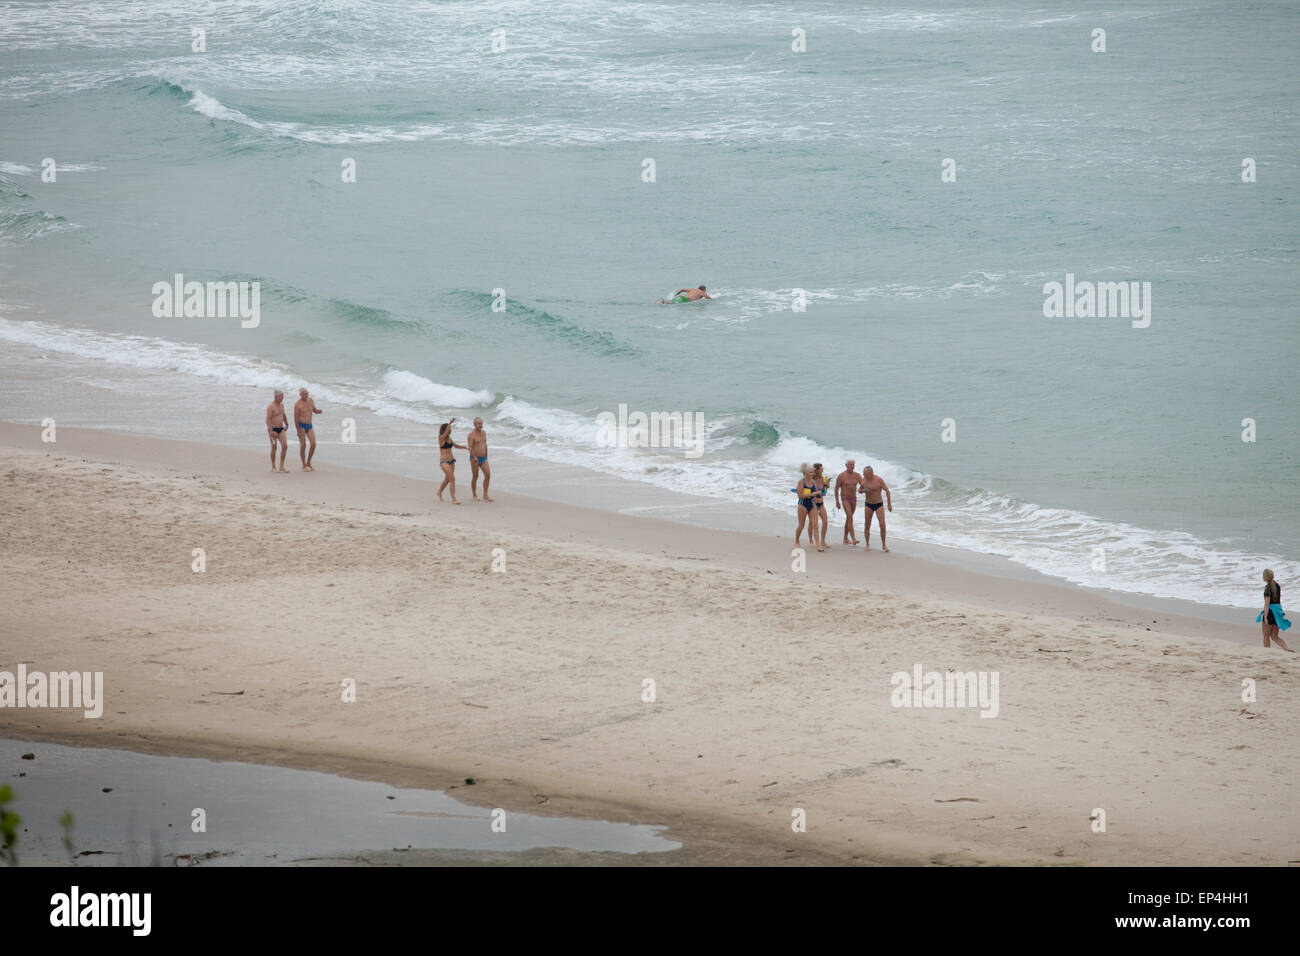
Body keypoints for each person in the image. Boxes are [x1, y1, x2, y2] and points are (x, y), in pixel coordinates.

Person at [1258, 569, 1292, 651]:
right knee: (1274, 636)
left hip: (1270, 612)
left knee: (1266, 636)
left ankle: (1267, 652)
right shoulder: (1277, 585)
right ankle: (1287, 649)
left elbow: (1267, 604)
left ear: (1264, 578)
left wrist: (1265, 617)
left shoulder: (1267, 588)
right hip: (1278, 612)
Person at [860, 465, 892, 551]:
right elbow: (859, 490)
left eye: (864, 473)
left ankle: (884, 545)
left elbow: (887, 491)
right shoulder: (864, 480)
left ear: (870, 473)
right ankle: (867, 544)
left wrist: (889, 504)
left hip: (878, 504)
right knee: (867, 525)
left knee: (882, 525)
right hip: (868, 504)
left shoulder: (878, 480)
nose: (863, 474)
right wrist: (863, 490)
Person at [437, 419, 468, 504]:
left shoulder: (449, 438)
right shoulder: (441, 438)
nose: (450, 430)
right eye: (448, 429)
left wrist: (464, 447)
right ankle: (454, 499)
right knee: (452, 480)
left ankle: (439, 492)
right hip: (444, 462)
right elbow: (446, 432)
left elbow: (455, 446)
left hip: (452, 462)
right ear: (445, 429)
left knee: (447, 480)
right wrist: (450, 423)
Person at [293, 388, 322, 472]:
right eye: (305, 393)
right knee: (303, 445)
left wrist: (318, 411)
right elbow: (296, 419)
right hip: (301, 425)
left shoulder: (310, 400)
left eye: (307, 393)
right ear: (301, 395)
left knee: (313, 444)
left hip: (309, 425)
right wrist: (298, 431)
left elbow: (314, 410)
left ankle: (308, 462)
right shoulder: (297, 404)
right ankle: (303, 465)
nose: (307, 395)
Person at [835, 459, 862, 545]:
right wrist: (837, 501)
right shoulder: (841, 476)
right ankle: (853, 538)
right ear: (846, 465)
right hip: (845, 498)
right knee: (850, 516)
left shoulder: (857, 475)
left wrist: (864, 490)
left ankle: (845, 538)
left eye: (853, 464)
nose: (852, 466)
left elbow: (862, 486)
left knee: (849, 518)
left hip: (853, 499)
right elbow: (836, 489)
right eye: (850, 464)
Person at [467, 417, 492, 502]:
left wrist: (486, 457)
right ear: (474, 424)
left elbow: (485, 445)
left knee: (488, 475)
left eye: (481, 423)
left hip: (484, 458)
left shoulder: (484, 433)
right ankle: (474, 495)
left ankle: (485, 494)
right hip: (475, 459)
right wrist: (474, 457)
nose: (480, 425)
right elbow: (470, 448)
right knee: (475, 476)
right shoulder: (471, 435)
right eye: (478, 423)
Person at [265, 390, 289, 473]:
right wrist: (271, 430)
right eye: (281, 396)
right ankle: (273, 466)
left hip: (281, 428)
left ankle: (282, 466)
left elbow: (283, 414)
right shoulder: (271, 406)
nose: (283, 398)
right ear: (276, 397)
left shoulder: (282, 405)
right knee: (274, 447)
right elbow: (267, 419)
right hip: (273, 430)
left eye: (283, 396)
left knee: (285, 446)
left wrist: (286, 423)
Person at [795, 465, 816, 549]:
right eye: (810, 472)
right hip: (802, 505)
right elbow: (799, 496)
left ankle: (811, 540)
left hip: (812, 504)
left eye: (812, 472)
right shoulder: (801, 482)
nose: (812, 474)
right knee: (801, 525)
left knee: (813, 524)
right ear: (805, 473)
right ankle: (797, 541)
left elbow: (816, 493)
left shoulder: (813, 482)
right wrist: (811, 494)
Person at [811, 463, 830, 551]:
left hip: (821, 503)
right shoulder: (811, 480)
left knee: (825, 522)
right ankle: (817, 544)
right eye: (821, 469)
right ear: (817, 470)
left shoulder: (822, 479)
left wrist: (827, 485)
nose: (822, 470)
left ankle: (822, 541)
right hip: (813, 504)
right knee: (815, 525)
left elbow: (824, 491)